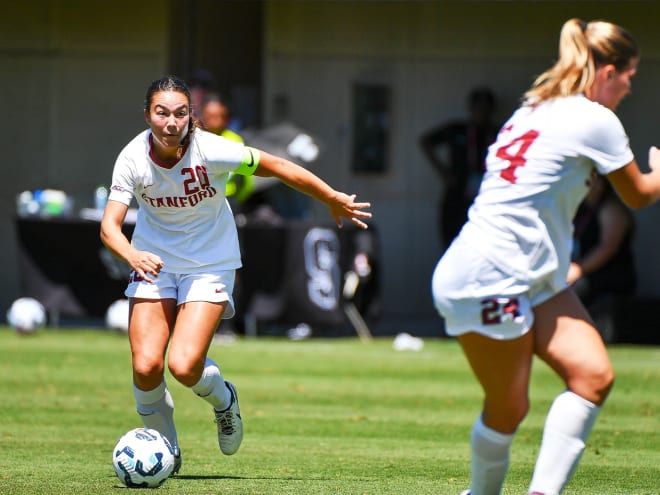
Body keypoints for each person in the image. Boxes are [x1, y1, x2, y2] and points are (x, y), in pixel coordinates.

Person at [431, 19, 660, 495]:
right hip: (490, 273)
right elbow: (638, 194)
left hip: (529, 272)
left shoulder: (535, 107)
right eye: (629, 79)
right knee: (509, 409)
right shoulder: (595, 118)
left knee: (593, 376)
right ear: (609, 71)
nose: (627, 90)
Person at [100, 75, 371, 474]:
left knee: (185, 365)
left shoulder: (212, 149)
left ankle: (224, 399)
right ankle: (167, 450)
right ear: (147, 115)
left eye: (179, 113)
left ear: (190, 118)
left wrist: (329, 196)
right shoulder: (132, 158)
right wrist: (132, 254)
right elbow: (110, 227)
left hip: (209, 263)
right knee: (145, 366)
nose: (170, 122)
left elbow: (276, 165)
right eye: (161, 113)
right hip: (153, 262)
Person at [420, 86, 499, 249]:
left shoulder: (498, 132)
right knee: (451, 242)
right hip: (457, 197)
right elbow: (426, 141)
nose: (482, 114)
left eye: (486, 109)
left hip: (486, 197)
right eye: (478, 108)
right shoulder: (457, 130)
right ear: (471, 109)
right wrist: (443, 172)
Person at [569, 172, 637, 309]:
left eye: (596, 179)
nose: (590, 183)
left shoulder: (611, 208)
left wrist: (578, 270)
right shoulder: (580, 209)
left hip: (608, 280)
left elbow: (608, 248)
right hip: (584, 275)